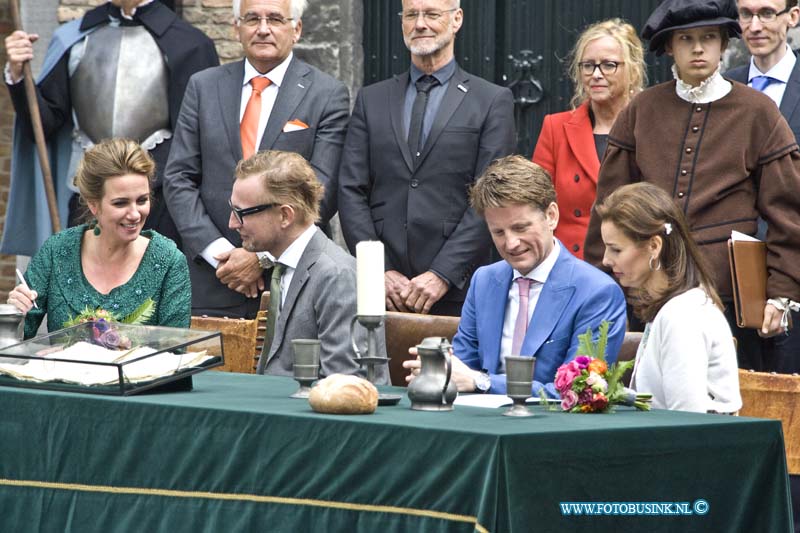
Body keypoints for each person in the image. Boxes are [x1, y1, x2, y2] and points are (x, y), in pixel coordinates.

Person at [583, 0, 800, 373]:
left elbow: (788, 213)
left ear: (723, 44)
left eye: (708, 38)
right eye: (686, 39)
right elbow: (610, 208)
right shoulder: (641, 110)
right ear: (670, 46)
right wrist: (602, 289)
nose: (698, 48)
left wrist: (781, 293)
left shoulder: (758, 111)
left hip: (729, 299)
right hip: (649, 293)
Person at [164, 0, 349, 319]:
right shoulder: (203, 86)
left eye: (275, 19)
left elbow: (322, 189)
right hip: (214, 278)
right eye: (252, 19)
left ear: (297, 29)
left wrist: (261, 256)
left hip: (292, 277)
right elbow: (178, 177)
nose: (263, 29)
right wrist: (221, 255)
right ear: (236, 28)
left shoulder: (327, 94)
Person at [338, 0, 516, 317]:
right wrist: (378, 270)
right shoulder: (372, 99)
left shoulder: (490, 101)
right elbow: (351, 188)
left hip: (459, 291)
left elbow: (492, 196)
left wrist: (443, 274)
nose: (420, 24)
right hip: (381, 290)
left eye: (432, 14)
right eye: (411, 15)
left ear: (456, 19)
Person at [2, 0, 219, 256]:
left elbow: (197, 141)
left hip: (158, 202)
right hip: (89, 198)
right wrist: (17, 74)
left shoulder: (190, 43)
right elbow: (44, 124)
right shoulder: (73, 39)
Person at [406, 156, 626, 396]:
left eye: (521, 228)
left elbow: (579, 391)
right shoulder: (484, 281)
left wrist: (483, 383)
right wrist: (440, 372)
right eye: (498, 232)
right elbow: (463, 369)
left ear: (551, 215)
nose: (511, 243)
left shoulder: (597, 291)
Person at [7, 139, 191, 339]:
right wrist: (16, 315)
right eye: (121, 203)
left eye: (142, 200)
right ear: (93, 204)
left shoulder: (169, 261)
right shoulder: (56, 251)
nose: (135, 214)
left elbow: (176, 355)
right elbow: (16, 341)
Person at [229, 150, 387, 381]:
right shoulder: (283, 265)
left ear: (285, 215)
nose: (232, 223)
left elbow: (345, 383)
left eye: (240, 213)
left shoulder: (337, 276)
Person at [597, 183, 742, 413]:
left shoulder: (682, 316)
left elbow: (686, 421)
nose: (606, 260)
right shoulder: (672, 308)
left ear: (654, 246)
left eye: (616, 249)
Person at [725, 0, 800, 374]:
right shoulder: (723, 88)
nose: (755, 25)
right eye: (745, 14)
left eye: (767, 13)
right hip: (732, 274)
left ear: (793, 16)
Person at [532, 18, 646, 259]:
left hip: (633, 267)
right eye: (588, 65)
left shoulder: (650, 127)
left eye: (608, 65)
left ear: (633, 68)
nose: (596, 74)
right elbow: (535, 206)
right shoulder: (556, 128)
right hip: (571, 266)